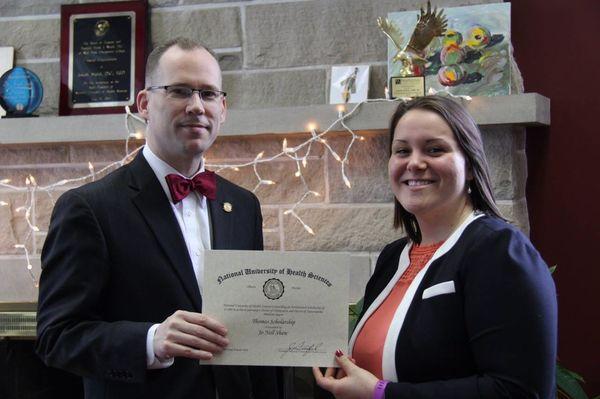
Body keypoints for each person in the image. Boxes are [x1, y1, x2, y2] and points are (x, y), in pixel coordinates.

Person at [36, 37, 281, 399]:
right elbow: (57, 336)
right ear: (145, 104)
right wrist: (151, 340)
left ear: (223, 108)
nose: (197, 106)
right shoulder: (89, 208)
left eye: (209, 94)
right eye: (180, 90)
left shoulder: (243, 205)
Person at [314, 95, 557, 399]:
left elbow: (518, 391)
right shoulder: (394, 257)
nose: (414, 163)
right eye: (402, 150)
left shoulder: (499, 251)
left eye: (434, 149)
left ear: (469, 165)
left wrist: (381, 394)